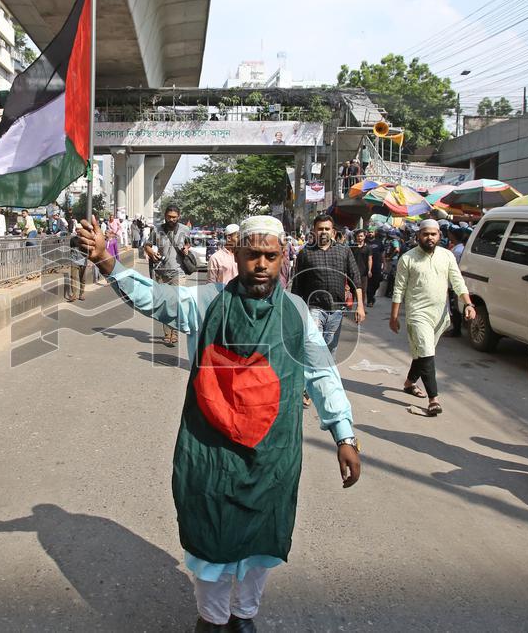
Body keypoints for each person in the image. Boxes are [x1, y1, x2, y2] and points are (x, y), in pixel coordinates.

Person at [76, 214, 361, 630]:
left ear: (283, 259)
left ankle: (245, 615)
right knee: (213, 540)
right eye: (252, 255)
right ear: (237, 255)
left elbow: (322, 375)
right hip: (210, 451)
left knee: (262, 538)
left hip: (272, 456)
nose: (260, 264)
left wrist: (344, 434)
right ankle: (211, 619)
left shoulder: (298, 313)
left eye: (270, 255)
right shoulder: (207, 301)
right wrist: (107, 261)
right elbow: (156, 298)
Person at [390, 219, 476, 417]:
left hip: (440, 315)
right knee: (427, 353)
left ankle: (409, 383)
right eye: (425, 234)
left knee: (423, 353)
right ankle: (433, 399)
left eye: (433, 234)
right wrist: (394, 316)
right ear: (418, 236)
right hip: (417, 314)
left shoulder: (447, 256)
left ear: (439, 236)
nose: (429, 237)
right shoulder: (408, 258)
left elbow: (457, 282)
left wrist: (469, 304)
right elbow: (399, 289)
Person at [292, 214, 366, 408]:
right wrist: (297, 311)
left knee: (330, 350)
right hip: (313, 308)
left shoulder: (343, 251)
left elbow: (355, 278)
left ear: (333, 232)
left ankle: (323, 387)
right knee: (315, 348)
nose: (323, 232)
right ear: (314, 231)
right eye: (320, 229)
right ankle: (307, 389)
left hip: (337, 310)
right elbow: (297, 286)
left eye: (327, 229)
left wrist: (360, 305)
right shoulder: (305, 253)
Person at [143, 205, 191, 347]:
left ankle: (174, 334)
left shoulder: (185, 230)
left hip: (178, 272)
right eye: (169, 217)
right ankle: (167, 333)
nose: (171, 219)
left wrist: (186, 249)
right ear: (165, 216)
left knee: (176, 303)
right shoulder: (157, 230)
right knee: (164, 304)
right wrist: (151, 252)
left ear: (179, 216)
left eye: (174, 217)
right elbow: (146, 245)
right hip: (161, 272)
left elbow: (189, 244)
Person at [365, 230, 385, 307]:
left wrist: (384, 263)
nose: (370, 233)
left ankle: (372, 295)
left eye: (372, 232)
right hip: (366, 265)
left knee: (376, 283)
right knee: (368, 284)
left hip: (377, 265)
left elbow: (382, 253)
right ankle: (370, 300)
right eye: (369, 232)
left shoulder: (379, 242)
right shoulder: (365, 241)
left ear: (374, 233)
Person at [67, 231, 88, 302]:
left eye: (80, 230)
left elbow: (89, 251)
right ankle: (74, 295)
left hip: (83, 261)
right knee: (73, 277)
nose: (79, 232)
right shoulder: (72, 239)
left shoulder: (85, 240)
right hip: (74, 261)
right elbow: (71, 250)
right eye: (77, 230)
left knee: (83, 279)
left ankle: (81, 294)